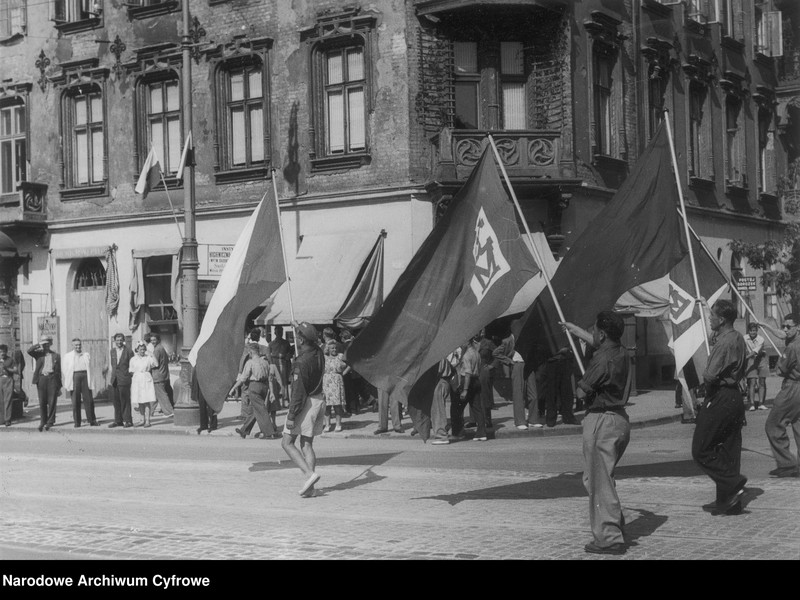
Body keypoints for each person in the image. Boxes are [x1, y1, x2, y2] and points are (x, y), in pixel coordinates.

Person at [563, 311, 630, 555]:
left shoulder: (601, 360)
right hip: (619, 419)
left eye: (593, 330)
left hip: (602, 420)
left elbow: (581, 392)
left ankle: (610, 537)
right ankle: (615, 523)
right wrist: (575, 329)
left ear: (602, 334)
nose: (591, 333)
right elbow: (598, 344)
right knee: (602, 479)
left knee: (598, 481)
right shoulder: (620, 351)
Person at [692, 299, 747, 515]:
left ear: (721, 319)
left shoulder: (723, 343)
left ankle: (733, 483)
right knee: (728, 451)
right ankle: (730, 502)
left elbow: (710, 375)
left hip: (720, 397)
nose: (709, 318)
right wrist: (706, 305)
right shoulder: (737, 337)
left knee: (701, 449)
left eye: (712, 316)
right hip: (735, 397)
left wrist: (704, 394)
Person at [281, 322, 326, 497]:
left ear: (300, 339)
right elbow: (313, 337)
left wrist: (291, 415)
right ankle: (311, 488)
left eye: (297, 336)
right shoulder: (319, 352)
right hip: (319, 399)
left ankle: (309, 475)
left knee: (287, 442)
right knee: (307, 444)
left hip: (306, 403)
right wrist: (299, 324)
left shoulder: (300, 362)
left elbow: (298, 393)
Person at [763, 315, 800, 478]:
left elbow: (781, 370)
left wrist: (781, 364)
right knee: (798, 425)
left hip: (792, 387)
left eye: (788, 326)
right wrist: (767, 326)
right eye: (783, 326)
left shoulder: (792, 347)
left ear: (798, 327)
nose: (785, 329)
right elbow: (781, 334)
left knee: (773, 424)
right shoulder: (794, 341)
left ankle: (787, 464)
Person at [230, 342, 281, 440]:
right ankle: (244, 430)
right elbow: (270, 378)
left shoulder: (250, 363)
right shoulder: (265, 362)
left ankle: (270, 432)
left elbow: (243, 378)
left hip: (254, 387)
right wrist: (272, 392)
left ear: (251, 352)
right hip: (264, 387)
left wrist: (234, 388)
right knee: (256, 409)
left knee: (261, 410)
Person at [450, 334, 487, 441]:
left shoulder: (466, 355)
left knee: (456, 408)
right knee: (477, 408)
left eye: (462, 342)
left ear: (467, 342)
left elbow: (467, 373)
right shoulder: (476, 353)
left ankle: (458, 433)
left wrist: (465, 390)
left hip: (467, 382)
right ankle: (481, 433)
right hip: (476, 381)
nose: (461, 345)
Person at [28, 336, 62, 432]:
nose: (46, 346)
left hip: (52, 379)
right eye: (44, 344)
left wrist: (59, 386)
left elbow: (58, 371)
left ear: (50, 344)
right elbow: (29, 351)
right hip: (41, 379)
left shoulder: (56, 355)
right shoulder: (38, 354)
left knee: (52, 401)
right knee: (42, 401)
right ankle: (43, 421)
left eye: (47, 343)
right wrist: (39, 344)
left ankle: (50, 421)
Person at [62, 337, 98, 427]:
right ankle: (77, 422)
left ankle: (92, 420)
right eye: (76, 345)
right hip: (75, 377)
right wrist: (70, 378)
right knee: (75, 400)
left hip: (85, 376)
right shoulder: (68, 356)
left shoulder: (86, 355)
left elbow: (90, 367)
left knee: (89, 400)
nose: (78, 346)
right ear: (72, 346)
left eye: (79, 345)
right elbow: (65, 369)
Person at [542, 347, 579, 427]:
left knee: (567, 391)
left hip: (566, 360)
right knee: (552, 392)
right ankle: (551, 418)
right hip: (552, 361)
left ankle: (568, 417)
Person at [105, 333, 134, 428]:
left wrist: (128, 376)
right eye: (117, 340)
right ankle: (118, 421)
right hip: (115, 379)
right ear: (114, 341)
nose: (119, 342)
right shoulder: (112, 351)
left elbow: (132, 365)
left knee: (125, 400)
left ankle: (128, 421)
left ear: (123, 340)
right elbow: (113, 366)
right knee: (116, 400)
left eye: (121, 340)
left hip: (124, 379)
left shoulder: (129, 351)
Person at [130, 340, 158, 427]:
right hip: (137, 380)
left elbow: (156, 364)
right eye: (140, 349)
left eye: (143, 349)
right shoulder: (133, 359)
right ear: (137, 350)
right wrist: (136, 377)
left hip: (146, 379)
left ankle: (147, 421)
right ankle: (142, 419)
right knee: (140, 401)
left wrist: (152, 354)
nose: (142, 351)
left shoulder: (148, 358)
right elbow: (131, 370)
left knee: (146, 400)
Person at [322, 338, 346, 432]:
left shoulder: (340, 356)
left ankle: (338, 424)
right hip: (327, 382)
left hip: (337, 382)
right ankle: (327, 425)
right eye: (332, 348)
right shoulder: (324, 357)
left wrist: (344, 373)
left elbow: (349, 364)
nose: (334, 350)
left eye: (335, 348)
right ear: (328, 349)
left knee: (337, 405)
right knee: (326, 405)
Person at [744, 322, 769, 411]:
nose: (752, 333)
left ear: (757, 331)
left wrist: (745, 357)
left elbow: (755, 351)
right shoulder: (744, 338)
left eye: (754, 331)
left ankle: (761, 403)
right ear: (748, 331)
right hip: (751, 360)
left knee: (762, 381)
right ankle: (752, 403)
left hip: (761, 359)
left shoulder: (761, 339)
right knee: (752, 382)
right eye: (751, 331)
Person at [431, 356, 455, 444]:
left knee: (438, 410)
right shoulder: (442, 355)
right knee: (439, 408)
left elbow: (437, 371)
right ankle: (441, 433)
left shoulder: (438, 356)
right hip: (444, 381)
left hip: (439, 381)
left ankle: (441, 436)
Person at [148, 333, 174, 417]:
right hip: (164, 374)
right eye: (151, 340)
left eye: (154, 340)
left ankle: (169, 411)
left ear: (158, 340)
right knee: (155, 395)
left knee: (161, 394)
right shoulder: (162, 348)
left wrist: (147, 364)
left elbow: (155, 363)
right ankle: (149, 411)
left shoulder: (157, 350)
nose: (153, 342)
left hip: (158, 376)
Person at [268, 325, 293, 407]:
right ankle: (277, 401)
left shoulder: (286, 343)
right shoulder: (271, 344)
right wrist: (271, 364)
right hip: (274, 362)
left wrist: (288, 355)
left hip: (283, 362)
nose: (279, 333)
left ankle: (285, 400)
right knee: (275, 381)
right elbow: (268, 355)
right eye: (277, 331)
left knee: (284, 381)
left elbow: (290, 352)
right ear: (275, 332)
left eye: (280, 331)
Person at [0, 344, 18, 427]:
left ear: (6, 352)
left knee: (8, 400)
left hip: (8, 379)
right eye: (0, 352)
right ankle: (1, 419)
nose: (2, 353)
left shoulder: (10, 360)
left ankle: (7, 419)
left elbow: (16, 370)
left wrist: (7, 368)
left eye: (3, 352)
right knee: (1, 400)